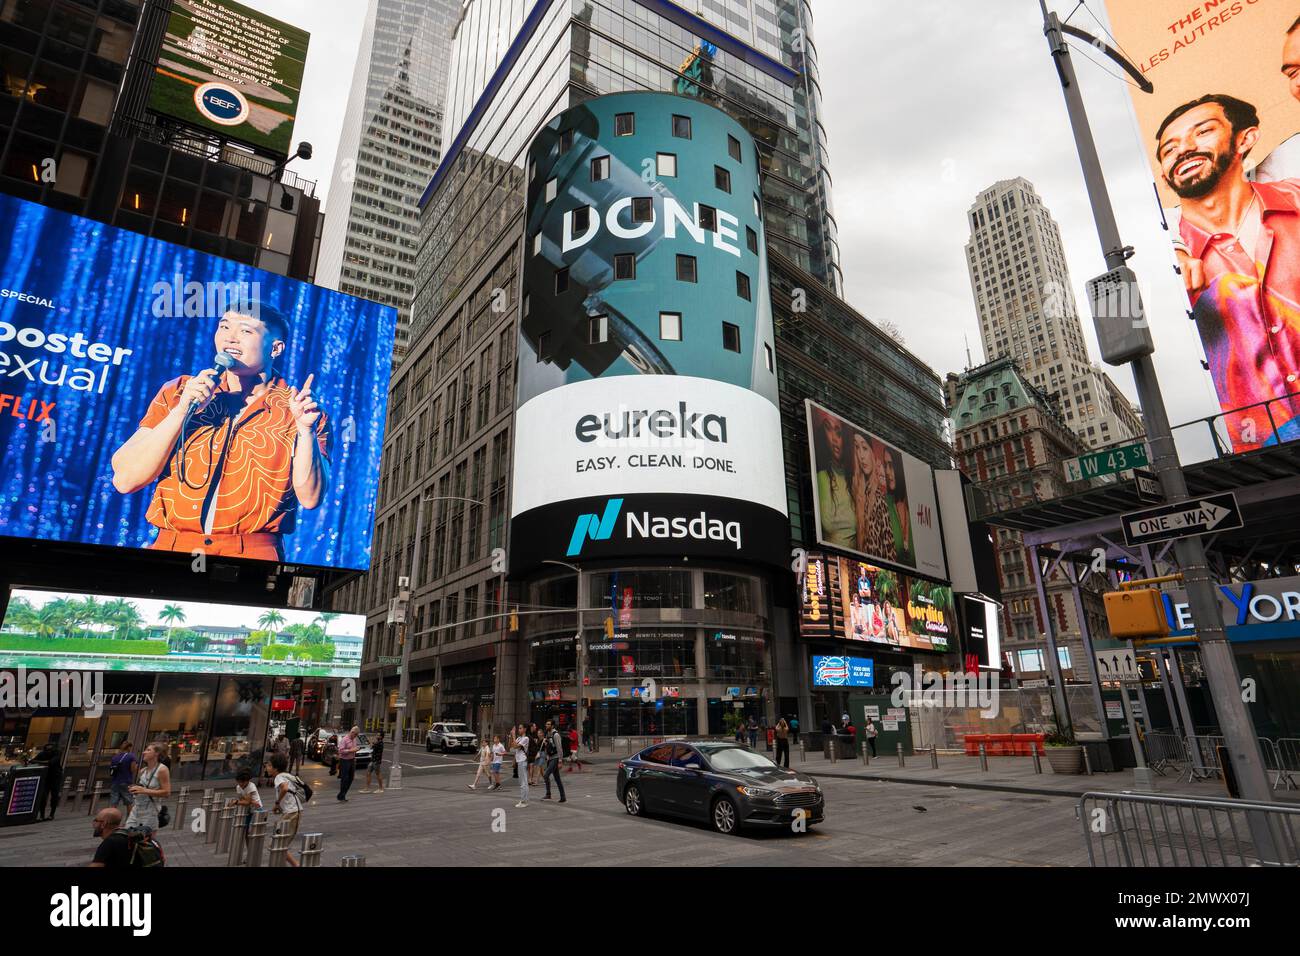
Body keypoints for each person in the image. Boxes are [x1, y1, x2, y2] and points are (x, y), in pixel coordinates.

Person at [110, 305, 329, 561]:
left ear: (276, 348)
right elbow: (125, 480)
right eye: (224, 326)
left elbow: (311, 497)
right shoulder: (179, 391)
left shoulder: (301, 409)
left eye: (245, 330)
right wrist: (182, 412)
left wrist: (305, 430)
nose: (230, 337)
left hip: (253, 554)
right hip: (172, 545)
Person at [1157, 93, 1300, 449]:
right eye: (1169, 149)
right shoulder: (1161, 269)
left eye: (1202, 132)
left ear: (1245, 138)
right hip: (1259, 452)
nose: (1184, 150)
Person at [812, 407, 857, 548]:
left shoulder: (853, 478)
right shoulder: (822, 476)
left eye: (839, 433)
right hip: (832, 556)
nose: (834, 439)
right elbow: (827, 523)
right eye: (828, 429)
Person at [850, 432, 895, 560]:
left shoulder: (880, 498)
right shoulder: (856, 490)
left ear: (872, 452)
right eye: (857, 448)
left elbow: (890, 550)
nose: (861, 456)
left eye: (864, 448)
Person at [124, 742, 171, 836]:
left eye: (148, 750)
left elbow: (167, 792)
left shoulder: (162, 769)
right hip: (136, 809)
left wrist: (143, 790)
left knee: (144, 842)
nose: (144, 752)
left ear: (156, 753)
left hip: (150, 812)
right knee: (127, 836)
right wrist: (135, 789)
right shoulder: (143, 771)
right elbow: (142, 788)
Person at [880, 446, 915, 568]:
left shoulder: (916, 507)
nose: (887, 472)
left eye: (891, 465)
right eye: (885, 466)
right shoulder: (884, 503)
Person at [269, 753, 303, 867]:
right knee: (279, 843)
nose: (267, 767)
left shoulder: (279, 777)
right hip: (292, 811)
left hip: (292, 812)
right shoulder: (286, 775)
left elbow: (284, 788)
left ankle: (296, 865)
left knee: (278, 843)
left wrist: (277, 803)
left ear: (275, 768)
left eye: (269, 765)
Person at [33, 744, 64, 822]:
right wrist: (43, 762)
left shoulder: (57, 753)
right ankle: (42, 815)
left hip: (56, 777)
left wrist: (39, 762)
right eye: (47, 750)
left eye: (50, 750)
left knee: (54, 796)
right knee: (43, 796)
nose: (48, 752)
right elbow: (32, 761)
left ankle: (51, 814)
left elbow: (51, 762)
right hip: (46, 777)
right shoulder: (42, 754)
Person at [542, 720, 567, 803]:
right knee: (557, 778)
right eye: (546, 724)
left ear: (552, 726)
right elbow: (548, 747)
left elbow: (559, 748)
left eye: (548, 724)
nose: (546, 725)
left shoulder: (555, 735)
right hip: (550, 758)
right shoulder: (547, 734)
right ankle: (563, 797)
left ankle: (548, 794)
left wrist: (560, 760)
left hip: (555, 758)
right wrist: (547, 754)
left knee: (546, 775)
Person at [107, 741, 137, 811]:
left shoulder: (115, 757)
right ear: (129, 747)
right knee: (129, 802)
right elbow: (133, 770)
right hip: (126, 781)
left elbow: (112, 769)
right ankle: (129, 820)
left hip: (115, 782)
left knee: (113, 803)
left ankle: (110, 819)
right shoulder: (131, 756)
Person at [336, 726, 360, 801]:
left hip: (352, 760)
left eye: (356, 735)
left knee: (351, 778)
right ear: (352, 732)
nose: (355, 736)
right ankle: (342, 796)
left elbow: (354, 748)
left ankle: (342, 794)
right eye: (355, 734)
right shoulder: (344, 739)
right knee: (344, 778)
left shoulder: (354, 739)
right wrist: (351, 750)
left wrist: (355, 750)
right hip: (344, 761)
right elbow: (340, 751)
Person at [513, 727, 530, 807]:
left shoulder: (525, 738)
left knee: (523, 782)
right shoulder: (519, 738)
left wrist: (513, 736)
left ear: (524, 729)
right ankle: (525, 800)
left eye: (520, 728)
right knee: (523, 781)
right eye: (518, 728)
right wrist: (511, 737)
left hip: (522, 760)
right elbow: (512, 745)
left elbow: (516, 746)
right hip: (519, 760)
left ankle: (523, 801)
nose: (519, 730)